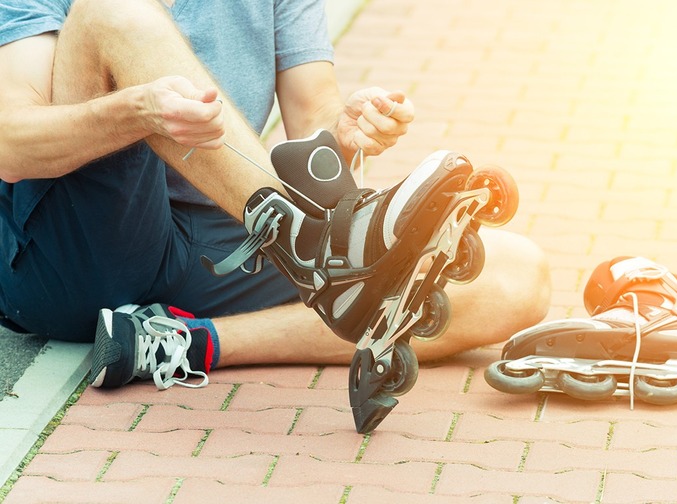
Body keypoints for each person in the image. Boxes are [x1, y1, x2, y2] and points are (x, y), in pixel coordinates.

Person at [0, 0, 551, 392]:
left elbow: (314, 115)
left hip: (220, 231)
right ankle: (325, 258)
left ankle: (184, 342)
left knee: (516, 276)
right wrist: (135, 113)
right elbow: (12, 145)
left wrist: (348, 128)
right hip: (79, 252)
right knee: (113, 12)